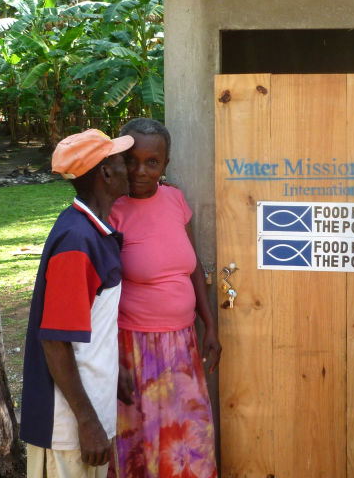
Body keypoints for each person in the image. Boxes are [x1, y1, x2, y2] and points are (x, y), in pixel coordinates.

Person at [108, 117, 220, 478]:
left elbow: (193, 267)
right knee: (147, 446)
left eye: (152, 162)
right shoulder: (112, 211)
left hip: (183, 346)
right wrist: (113, 360)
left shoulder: (175, 200)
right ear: (118, 160)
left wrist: (211, 327)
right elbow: (101, 291)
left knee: (191, 441)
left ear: (165, 165)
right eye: (131, 160)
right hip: (136, 350)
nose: (141, 170)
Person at [20, 129, 134, 478]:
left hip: (83, 412)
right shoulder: (78, 241)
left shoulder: (90, 230)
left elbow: (89, 321)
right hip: (66, 428)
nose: (129, 167)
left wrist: (112, 373)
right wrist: (87, 422)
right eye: (121, 160)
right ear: (105, 174)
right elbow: (54, 340)